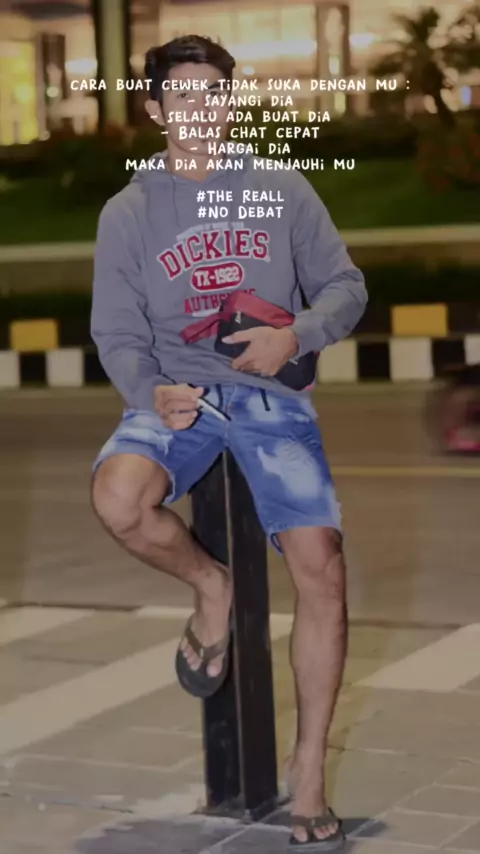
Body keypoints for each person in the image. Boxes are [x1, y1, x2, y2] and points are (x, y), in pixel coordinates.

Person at [90, 34, 367, 849]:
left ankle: (308, 769)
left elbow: (346, 286)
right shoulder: (130, 213)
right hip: (179, 394)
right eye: (183, 96)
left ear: (231, 101)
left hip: (271, 394)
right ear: (155, 109)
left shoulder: (280, 188)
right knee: (118, 498)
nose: (200, 109)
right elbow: (117, 332)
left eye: (214, 93)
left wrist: (296, 337)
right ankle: (211, 587)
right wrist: (150, 391)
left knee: (321, 565)